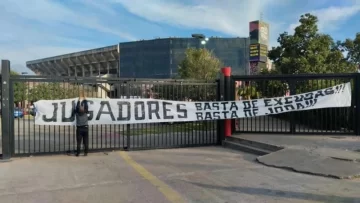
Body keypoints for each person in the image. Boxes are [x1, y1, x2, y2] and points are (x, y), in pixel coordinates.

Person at [74, 91, 89, 156]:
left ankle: (78, 153)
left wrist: (79, 100)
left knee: (78, 142)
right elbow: (86, 106)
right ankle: (85, 153)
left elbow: (77, 107)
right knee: (85, 141)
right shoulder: (86, 112)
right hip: (85, 128)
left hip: (79, 129)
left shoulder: (77, 113)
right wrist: (85, 99)